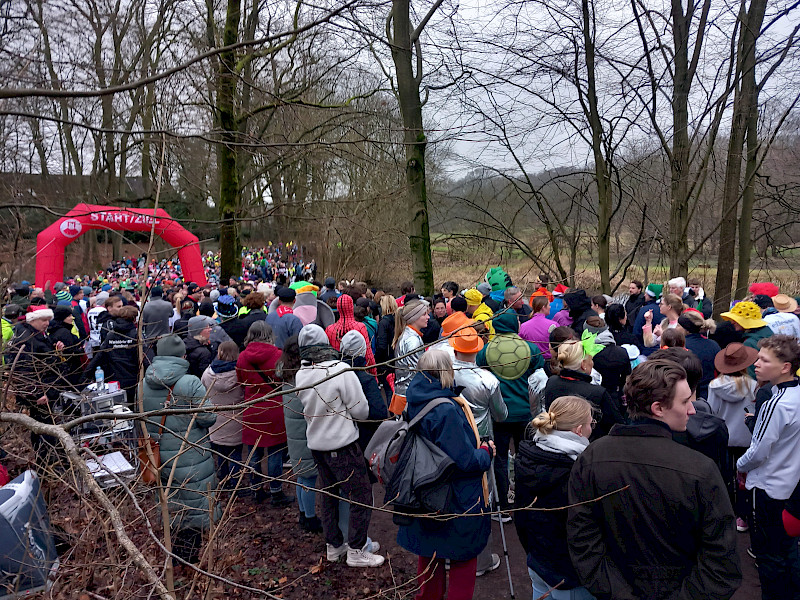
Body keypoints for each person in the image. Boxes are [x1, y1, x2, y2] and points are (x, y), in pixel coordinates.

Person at [567, 359, 741, 600]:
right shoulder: (700, 469)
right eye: (685, 401)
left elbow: (584, 543)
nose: (692, 409)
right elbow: (722, 561)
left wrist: (617, 593)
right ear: (658, 408)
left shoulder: (592, 457)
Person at [396, 350, 495, 598]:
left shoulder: (414, 399)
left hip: (422, 487)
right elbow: (465, 461)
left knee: (429, 555)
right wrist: (486, 452)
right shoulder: (446, 409)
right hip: (453, 496)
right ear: (445, 372)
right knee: (462, 555)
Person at [295, 324, 384, 567]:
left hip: (317, 446)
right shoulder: (340, 370)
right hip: (342, 445)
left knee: (329, 495)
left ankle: (334, 546)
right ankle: (357, 549)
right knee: (361, 495)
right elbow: (362, 410)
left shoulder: (300, 374)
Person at [143, 334, 219, 563]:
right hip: (190, 453)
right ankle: (188, 562)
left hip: (159, 457)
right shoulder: (190, 382)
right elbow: (208, 417)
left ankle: (174, 558)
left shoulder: (142, 384)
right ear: (182, 356)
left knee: (171, 504)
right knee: (195, 507)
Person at [736, 335, 800, 600]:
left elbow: (758, 452)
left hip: (766, 488)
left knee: (768, 556)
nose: (756, 364)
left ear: (785, 366)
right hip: (791, 485)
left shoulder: (775, 404)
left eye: (764, 360)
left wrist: (739, 466)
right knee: (788, 550)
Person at [515, 396, 596, 600]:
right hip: (569, 574)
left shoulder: (527, 456)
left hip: (538, 562)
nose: (592, 428)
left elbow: (521, 514)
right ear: (578, 430)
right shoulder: (577, 469)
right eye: (590, 423)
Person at [476, 309, 545, 521]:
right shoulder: (531, 349)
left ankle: (503, 507)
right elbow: (539, 378)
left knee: (500, 459)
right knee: (527, 457)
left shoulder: (486, 351)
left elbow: (481, 373)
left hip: (499, 415)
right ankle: (527, 502)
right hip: (526, 413)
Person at [450, 326, 506, 577]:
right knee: (484, 494)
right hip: (481, 438)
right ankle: (481, 559)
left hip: (450, 437)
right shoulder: (488, 379)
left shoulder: (443, 372)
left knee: (453, 490)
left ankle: (453, 553)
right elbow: (501, 414)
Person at [236, 321, 293, 506]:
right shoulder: (278, 354)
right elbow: (284, 377)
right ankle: (276, 491)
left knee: (254, 451)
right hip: (275, 408)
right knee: (275, 451)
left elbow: (241, 381)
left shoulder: (242, 357)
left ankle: (256, 489)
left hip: (252, 407)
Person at [708, 343, 758, 534]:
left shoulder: (715, 386)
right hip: (745, 437)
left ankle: (725, 512)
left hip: (724, 436)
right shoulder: (753, 386)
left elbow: (712, 412)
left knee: (725, 476)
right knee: (744, 478)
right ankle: (743, 516)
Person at [5, 307, 65, 464]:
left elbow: (44, 357)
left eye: (48, 320)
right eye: (43, 320)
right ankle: (46, 461)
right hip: (40, 393)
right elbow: (21, 371)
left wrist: (56, 350)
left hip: (46, 389)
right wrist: (36, 394)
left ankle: (50, 458)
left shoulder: (37, 335)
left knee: (46, 426)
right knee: (42, 428)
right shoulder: (25, 339)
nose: (47, 323)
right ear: (32, 320)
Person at [279, 335, 323, 533]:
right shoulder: (303, 377)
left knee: (301, 475)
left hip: (292, 431)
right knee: (309, 477)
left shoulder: (285, 373)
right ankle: (310, 518)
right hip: (304, 431)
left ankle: (303, 513)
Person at [544, 338, 626, 439]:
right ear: (583, 365)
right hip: (588, 446)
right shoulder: (597, 393)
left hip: (554, 439)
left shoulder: (552, 382)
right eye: (591, 360)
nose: (592, 363)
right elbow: (617, 424)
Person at [200, 341, 244, 489]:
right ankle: (235, 483)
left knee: (220, 454)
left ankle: (223, 480)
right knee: (235, 455)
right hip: (235, 419)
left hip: (216, 420)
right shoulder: (240, 373)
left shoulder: (207, 374)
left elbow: (203, 394)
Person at [340, 330, 388, 450]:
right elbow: (378, 413)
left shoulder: (336, 374)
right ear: (363, 350)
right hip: (365, 438)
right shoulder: (366, 379)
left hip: (342, 437)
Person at [84, 304, 142, 403]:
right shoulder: (136, 336)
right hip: (134, 379)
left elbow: (99, 356)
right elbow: (145, 358)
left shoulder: (111, 335)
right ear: (134, 319)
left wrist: (86, 375)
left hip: (114, 379)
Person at [391, 299, 429, 413]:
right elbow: (417, 372)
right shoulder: (413, 340)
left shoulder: (409, 335)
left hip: (404, 395)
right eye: (424, 314)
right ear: (414, 317)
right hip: (409, 399)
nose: (428, 317)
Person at [584, 316, 631, 410]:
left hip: (594, 400)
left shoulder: (587, 354)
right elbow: (627, 375)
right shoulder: (622, 352)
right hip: (616, 396)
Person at [720, 301, 774, 378]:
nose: (732, 322)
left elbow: (751, 374)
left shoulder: (750, 343)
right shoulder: (767, 332)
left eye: (735, 319)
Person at [678, 310, 720, 399]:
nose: (675, 328)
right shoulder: (713, 345)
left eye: (678, 325)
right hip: (709, 395)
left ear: (686, 329)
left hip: (686, 395)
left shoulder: (680, 346)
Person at [326, 294, 376, 367]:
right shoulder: (360, 327)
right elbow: (368, 354)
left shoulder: (329, 329)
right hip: (357, 369)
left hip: (336, 370)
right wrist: (373, 373)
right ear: (352, 306)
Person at [47, 306, 85, 388]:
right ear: (62, 318)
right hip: (71, 372)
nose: (72, 318)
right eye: (69, 316)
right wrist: (80, 350)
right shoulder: (64, 333)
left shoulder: (55, 330)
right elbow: (70, 353)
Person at [375, 294, 398, 392]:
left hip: (387, 362)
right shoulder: (399, 320)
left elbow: (382, 345)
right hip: (398, 359)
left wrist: (378, 361)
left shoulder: (383, 323)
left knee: (389, 391)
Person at [141, 285, 173, 352]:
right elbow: (171, 314)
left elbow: (143, 322)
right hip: (165, 336)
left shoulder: (145, 306)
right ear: (161, 294)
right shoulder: (168, 305)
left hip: (150, 337)